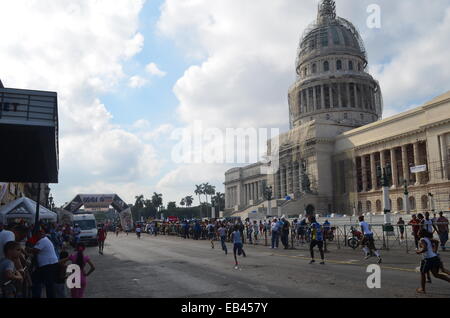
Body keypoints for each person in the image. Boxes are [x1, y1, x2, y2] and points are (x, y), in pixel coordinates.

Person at [416, 230, 450, 294]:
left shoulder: (422, 240)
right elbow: (437, 242)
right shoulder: (427, 238)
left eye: (418, 233)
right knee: (436, 274)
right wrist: (434, 251)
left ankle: (423, 289)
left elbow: (425, 249)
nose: (417, 234)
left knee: (423, 273)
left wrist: (418, 252)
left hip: (428, 259)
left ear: (421, 234)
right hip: (435, 258)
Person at [28, 230, 59, 298]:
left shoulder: (43, 240)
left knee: (48, 284)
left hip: (48, 265)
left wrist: (27, 249)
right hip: (47, 265)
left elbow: (35, 250)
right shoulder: (43, 240)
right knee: (40, 281)